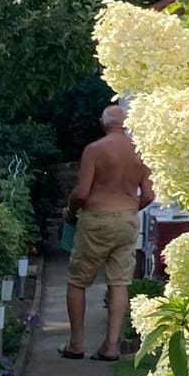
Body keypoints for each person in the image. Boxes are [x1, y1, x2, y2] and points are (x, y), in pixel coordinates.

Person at [62, 103, 153, 360]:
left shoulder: (94, 150)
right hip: (127, 221)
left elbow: (81, 193)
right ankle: (111, 347)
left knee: (77, 280)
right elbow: (148, 195)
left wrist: (70, 212)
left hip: (97, 220)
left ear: (102, 124)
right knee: (120, 282)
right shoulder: (140, 152)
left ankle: (76, 345)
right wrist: (128, 209)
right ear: (126, 124)